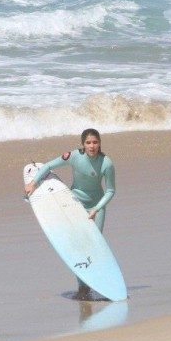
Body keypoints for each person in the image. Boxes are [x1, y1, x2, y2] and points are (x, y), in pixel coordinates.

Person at [24, 128, 115, 301]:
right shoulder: (74, 156)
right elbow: (49, 165)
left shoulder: (106, 163)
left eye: (95, 142)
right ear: (82, 144)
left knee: (94, 246)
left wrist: (97, 208)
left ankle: (98, 283)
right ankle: (83, 288)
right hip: (76, 204)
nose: (92, 146)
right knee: (79, 246)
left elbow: (110, 190)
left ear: (100, 143)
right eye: (88, 142)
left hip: (97, 206)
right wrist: (33, 183)